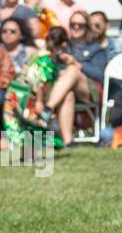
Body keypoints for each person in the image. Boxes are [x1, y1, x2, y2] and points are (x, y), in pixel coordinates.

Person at [41, 10, 111, 145]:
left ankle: (47, 110)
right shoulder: (63, 46)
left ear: (87, 27)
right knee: (68, 95)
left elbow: (100, 75)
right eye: (73, 24)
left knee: (73, 69)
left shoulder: (96, 48)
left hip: (90, 90)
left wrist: (78, 64)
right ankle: (68, 141)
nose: (76, 27)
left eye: (81, 24)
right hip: (63, 90)